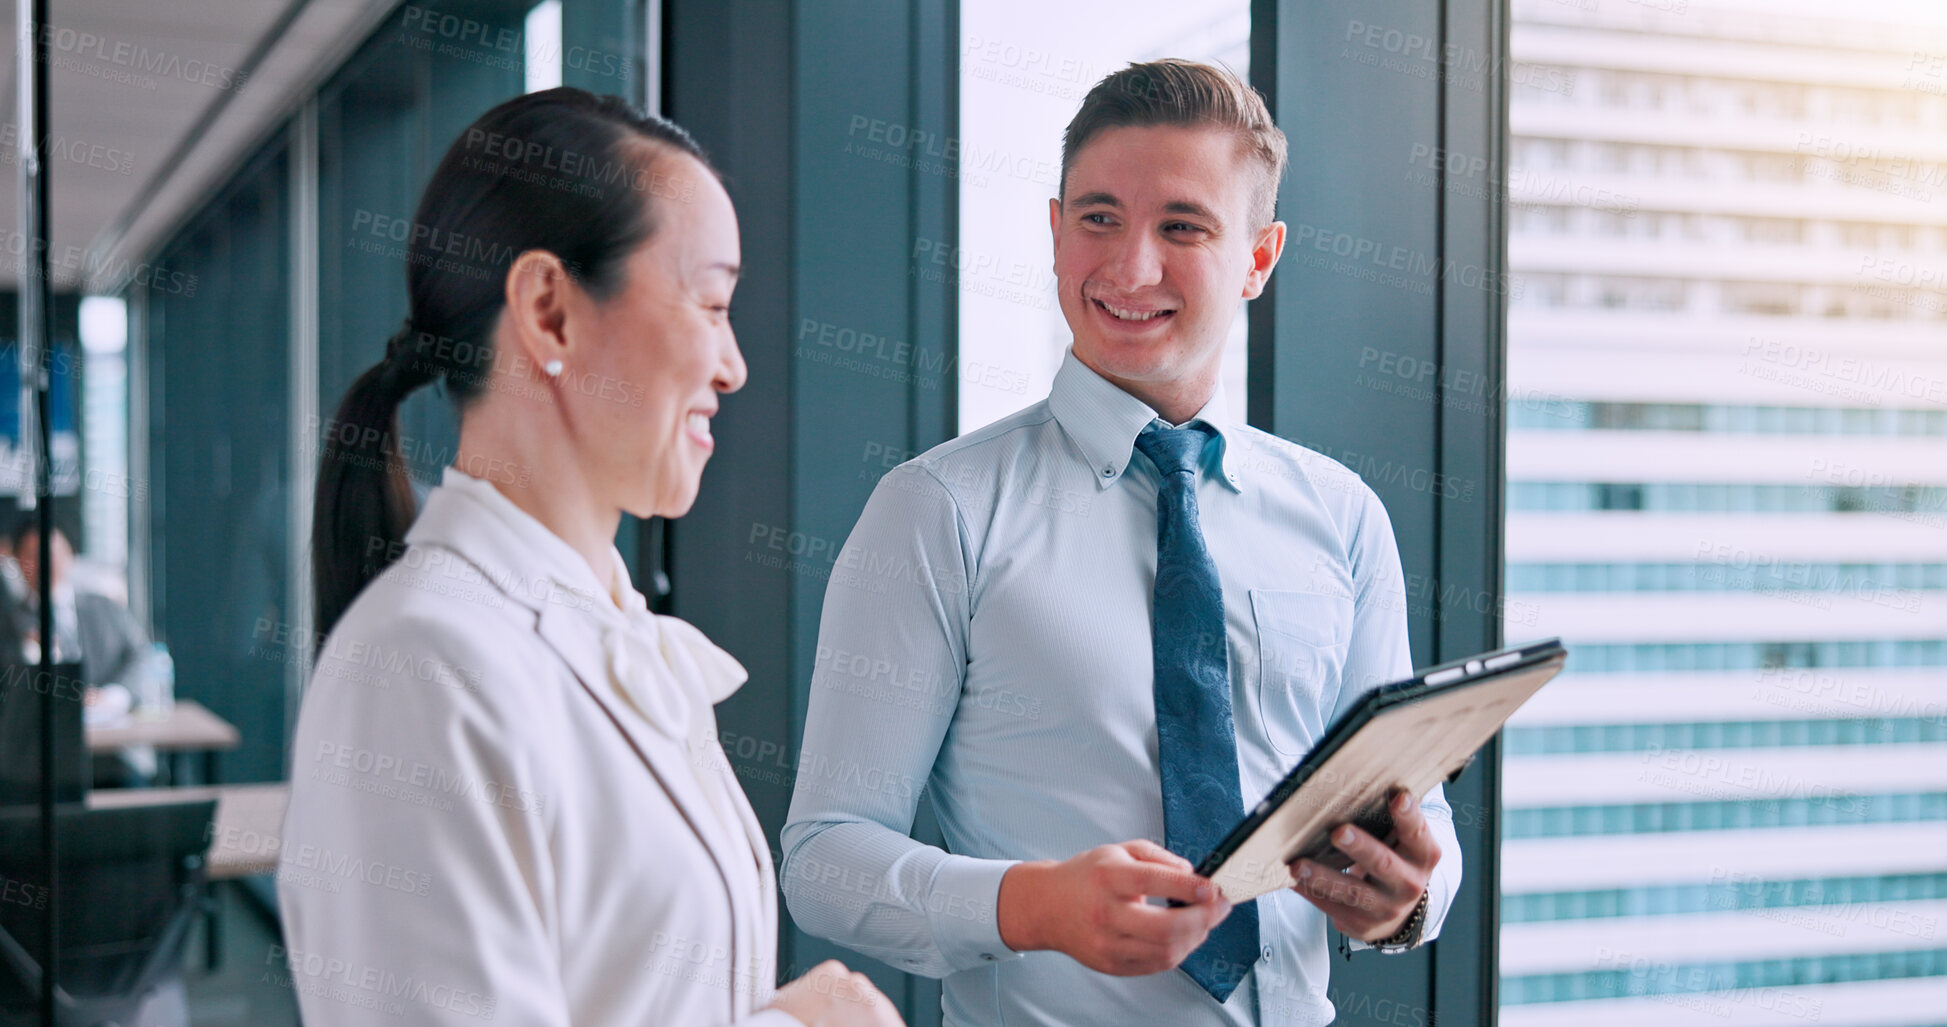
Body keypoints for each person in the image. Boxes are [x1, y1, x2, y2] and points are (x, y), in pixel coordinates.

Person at [781, 60, 1461, 1026]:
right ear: (1055, 232)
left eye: (1181, 227)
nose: (1130, 267)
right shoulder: (938, 510)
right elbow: (823, 858)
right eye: (1098, 218)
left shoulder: (1343, 515)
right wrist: (1031, 906)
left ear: (1259, 259)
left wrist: (1410, 900)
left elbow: (1411, 809)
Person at [280, 88, 900, 1027]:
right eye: (711, 302)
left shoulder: (605, 636)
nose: (732, 364)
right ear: (550, 312)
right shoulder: (419, 665)